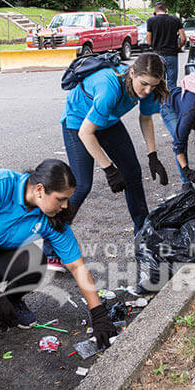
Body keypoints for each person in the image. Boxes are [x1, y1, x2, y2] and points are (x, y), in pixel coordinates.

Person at [0, 159, 117, 347]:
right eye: (61, 199)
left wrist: (99, 315)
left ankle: (11, 301)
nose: (64, 206)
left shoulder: (51, 217)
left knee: (35, 261)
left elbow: (76, 266)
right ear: (39, 190)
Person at [45, 53, 170, 271]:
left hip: (108, 121)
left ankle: (143, 234)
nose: (147, 91)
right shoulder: (108, 88)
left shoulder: (150, 86)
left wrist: (153, 155)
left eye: (153, 85)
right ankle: (50, 248)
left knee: (132, 173)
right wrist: (109, 169)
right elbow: (86, 133)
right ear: (131, 73)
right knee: (81, 185)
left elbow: (146, 118)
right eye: (144, 84)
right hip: (79, 122)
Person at [146, 2, 186, 133]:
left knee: (158, 82)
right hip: (172, 55)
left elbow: (148, 40)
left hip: (157, 55)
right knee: (172, 83)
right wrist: (178, 47)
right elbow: (183, 38)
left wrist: (155, 46)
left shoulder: (151, 20)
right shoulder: (175, 19)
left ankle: (159, 107)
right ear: (166, 10)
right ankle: (173, 106)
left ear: (155, 11)